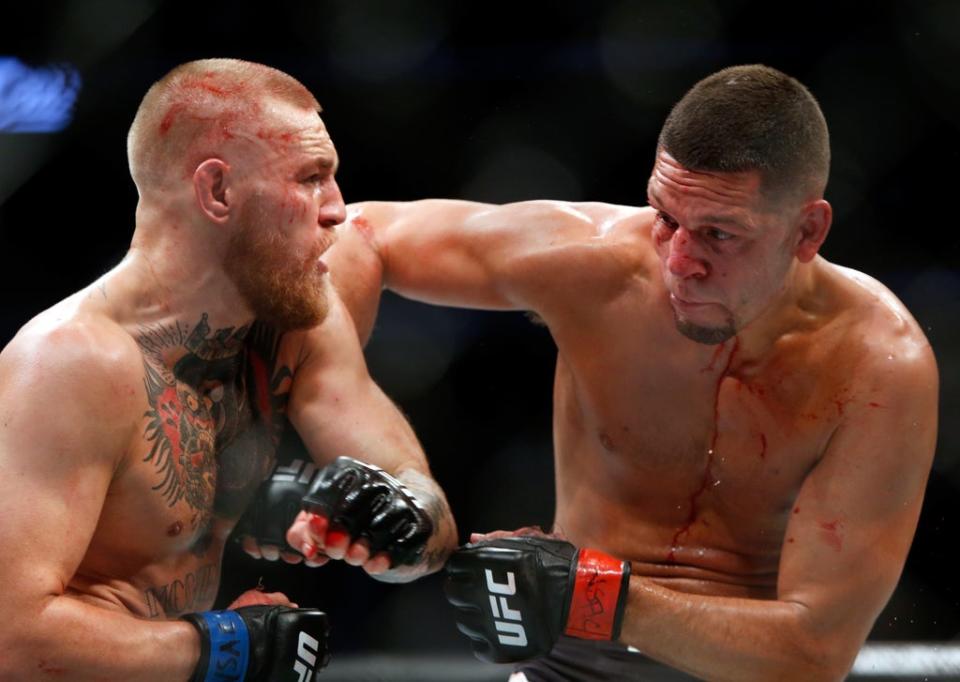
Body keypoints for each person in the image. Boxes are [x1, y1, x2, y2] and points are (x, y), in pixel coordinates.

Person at [316, 65, 939, 681]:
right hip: (565, 666)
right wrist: (348, 407)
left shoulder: (876, 364)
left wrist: (590, 593)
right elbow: (356, 233)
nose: (679, 261)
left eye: (719, 234)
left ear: (808, 230)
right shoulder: (597, 264)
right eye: (666, 217)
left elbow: (814, 653)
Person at [0, 58, 457, 681]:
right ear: (217, 191)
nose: (338, 211)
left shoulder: (296, 322)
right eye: (311, 178)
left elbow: (428, 518)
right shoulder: (70, 363)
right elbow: (12, 639)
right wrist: (227, 647)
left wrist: (395, 517)